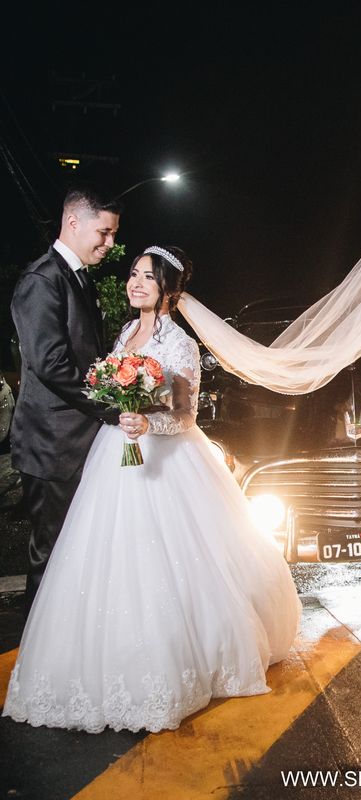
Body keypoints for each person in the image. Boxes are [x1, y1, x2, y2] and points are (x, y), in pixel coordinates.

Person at [3, 245, 301, 733]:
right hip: (115, 455)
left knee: (172, 559)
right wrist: (120, 409)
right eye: (133, 274)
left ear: (170, 290)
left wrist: (148, 422)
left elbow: (185, 414)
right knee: (104, 555)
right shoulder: (125, 333)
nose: (135, 283)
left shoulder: (180, 345)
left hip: (166, 461)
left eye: (148, 277)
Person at [10, 186, 122, 613]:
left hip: (77, 442)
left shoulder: (78, 277)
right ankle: (33, 645)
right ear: (73, 222)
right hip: (52, 444)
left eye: (113, 234)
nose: (109, 243)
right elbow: (50, 363)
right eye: (104, 232)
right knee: (52, 554)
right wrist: (110, 406)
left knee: (78, 552)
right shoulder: (42, 280)